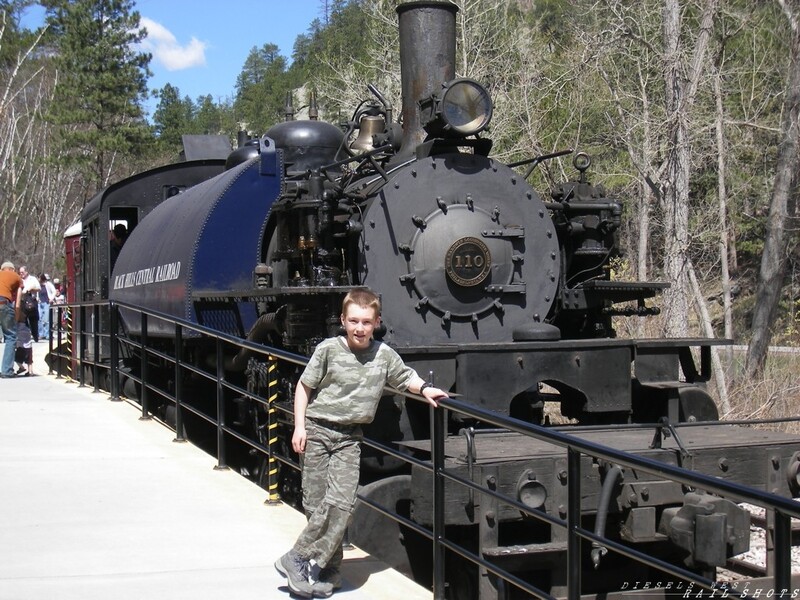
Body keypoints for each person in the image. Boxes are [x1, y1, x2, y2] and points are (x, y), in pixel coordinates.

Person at [274, 288, 448, 598]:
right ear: (342, 320)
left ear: (376, 322)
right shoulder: (328, 349)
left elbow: (404, 375)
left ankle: (296, 558)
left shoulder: (383, 354)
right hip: (317, 430)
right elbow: (304, 387)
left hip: (349, 438)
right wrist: (299, 427)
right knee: (316, 505)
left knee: (341, 504)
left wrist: (425, 389)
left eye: (366, 322)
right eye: (353, 321)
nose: (359, 328)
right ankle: (331, 569)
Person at [0, 261, 22, 378]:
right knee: (10, 337)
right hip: (3, 304)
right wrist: (16, 319)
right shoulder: (16, 277)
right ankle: (6, 371)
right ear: (12, 269)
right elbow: (17, 303)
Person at [18, 266, 40, 342]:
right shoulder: (19, 279)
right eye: (20, 272)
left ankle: (35, 336)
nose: (21, 274)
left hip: (32, 301)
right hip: (22, 302)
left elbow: (38, 288)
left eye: (22, 272)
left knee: (33, 320)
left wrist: (31, 289)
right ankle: (25, 337)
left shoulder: (33, 279)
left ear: (26, 272)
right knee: (23, 320)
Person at [38, 273, 56, 340]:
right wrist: (37, 298)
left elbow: (54, 291)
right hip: (40, 303)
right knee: (39, 319)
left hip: (46, 303)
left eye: (39, 278)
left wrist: (51, 298)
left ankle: (47, 334)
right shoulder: (38, 285)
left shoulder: (48, 284)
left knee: (46, 320)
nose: (38, 279)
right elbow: (36, 292)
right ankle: (41, 334)